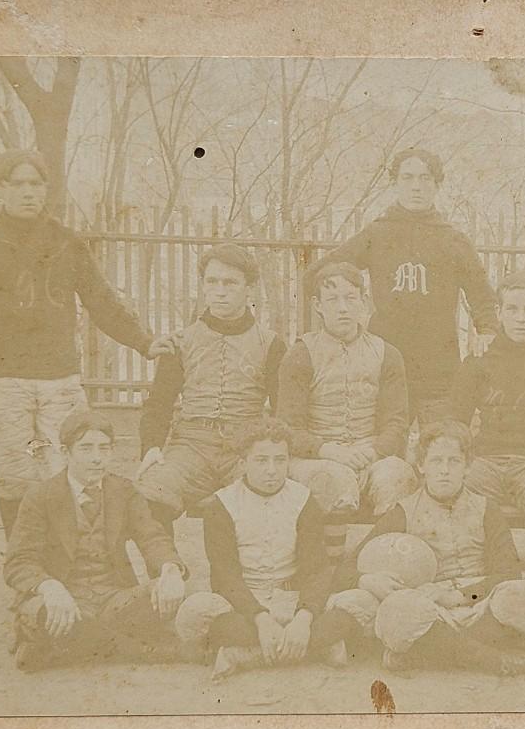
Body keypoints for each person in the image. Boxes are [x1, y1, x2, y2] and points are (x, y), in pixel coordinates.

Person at [0, 149, 171, 536]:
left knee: (71, 475)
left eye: (36, 184)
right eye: (18, 184)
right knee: (16, 482)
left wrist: (144, 342)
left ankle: (67, 573)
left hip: (59, 382)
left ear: (47, 189)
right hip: (2, 386)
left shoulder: (68, 244)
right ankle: (25, 575)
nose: (28, 192)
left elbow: (101, 302)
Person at [340, 420, 525, 677]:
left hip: (480, 604)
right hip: (432, 610)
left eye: (454, 461)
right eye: (436, 461)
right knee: (397, 612)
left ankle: (429, 652)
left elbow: (508, 573)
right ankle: (497, 660)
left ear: (467, 467)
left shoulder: (486, 508)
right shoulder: (403, 511)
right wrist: (367, 580)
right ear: (421, 466)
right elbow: (349, 565)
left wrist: (459, 597)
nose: (445, 470)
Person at [304, 147, 499, 424]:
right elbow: (316, 274)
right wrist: (345, 313)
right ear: (395, 183)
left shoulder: (452, 239)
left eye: (425, 178)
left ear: (437, 185)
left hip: (438, 365)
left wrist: (488, 330)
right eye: (407, 178)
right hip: (384, 361)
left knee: (441, 446)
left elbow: (482, 295)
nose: (416, 187)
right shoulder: (378, 233)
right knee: (385, 447)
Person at [173, 419, 379, 679]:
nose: (271, 470)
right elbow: (225, 577)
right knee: (194, 612)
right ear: (243, 462)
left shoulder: (303, 499)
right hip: (244, 604)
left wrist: (303, 620)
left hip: (293, 601)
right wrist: (261, 619)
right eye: (261, 460)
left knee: (363, 603)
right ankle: (318, 648)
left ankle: (245, 654)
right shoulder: (221, 506)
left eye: (280, 460)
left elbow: (316, 570)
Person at [3, 410, 187, 671]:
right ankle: (136, 648)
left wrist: (170, 568)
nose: (97, 459)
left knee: (169, 594)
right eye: (86, 449)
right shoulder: (41, 496)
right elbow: (18, 562)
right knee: (43, 614)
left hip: (114, 599)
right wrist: (49, 587)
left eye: (104, 448)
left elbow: (152, 536)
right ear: (66, 453)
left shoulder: (123, 491)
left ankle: (61, 649)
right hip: (64, 600)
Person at [136, 243, 286, 532]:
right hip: (191, 446)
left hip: (245, 447)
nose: (220, 290)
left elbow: (283, 411)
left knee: (266, 503)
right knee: (150, 492)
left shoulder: (271, 344)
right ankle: (169, 572)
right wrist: (152, 447)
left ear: (249, 288)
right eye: (212, 282)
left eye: (230, 283)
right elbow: (159, 403)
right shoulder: (181, 341)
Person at [447, 271, 525, 596]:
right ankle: (470, 589)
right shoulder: (480, 358)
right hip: (487, 460)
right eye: (512, 309)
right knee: (456, 497)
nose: (521, 318)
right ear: (500, 313)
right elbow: (455, 421)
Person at [278, 262, 418, 559]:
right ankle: (331, 569)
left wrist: (373, 450)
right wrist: (331, 451)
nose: (343, 308)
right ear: (318, 305)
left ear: (363, 302)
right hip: (319, 456)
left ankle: (382, 561)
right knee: (334, 480)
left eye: (351, 298)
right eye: (333, 300)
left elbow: (397, 422)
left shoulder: (387, 353)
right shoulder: (301, 353)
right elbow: (289, 427)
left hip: (370, 452)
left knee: (397, 476)